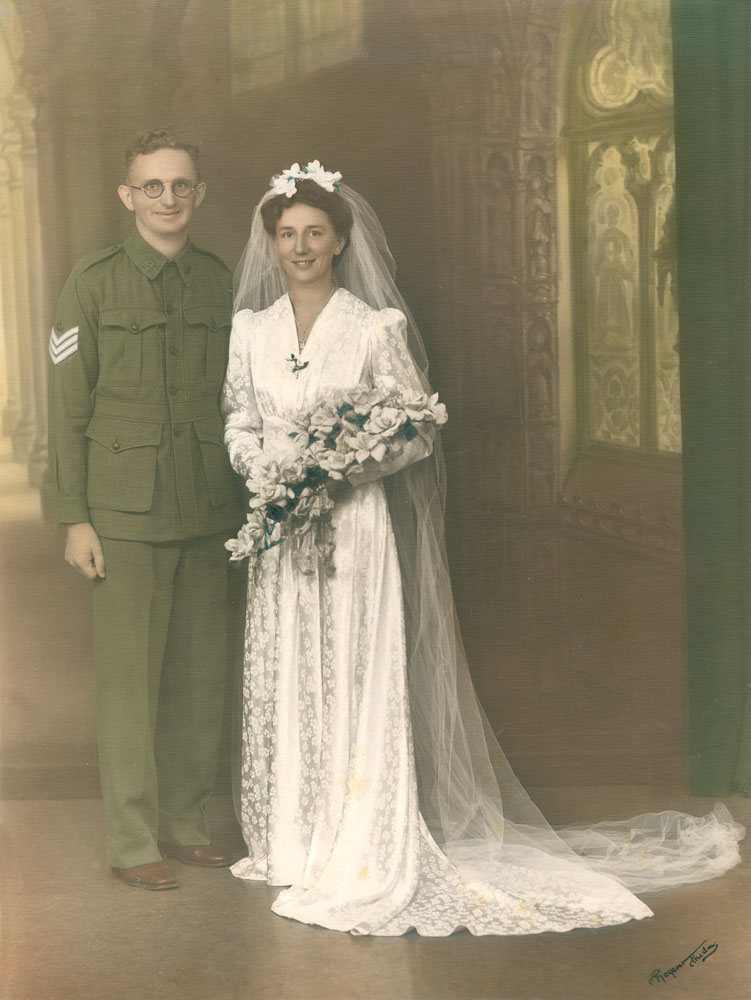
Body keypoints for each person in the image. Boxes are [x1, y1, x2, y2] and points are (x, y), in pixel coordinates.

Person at [221, 161, 743, 935]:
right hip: (281, 530)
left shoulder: (372, 328)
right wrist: (270, 471)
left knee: (352, 676)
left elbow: (415, 427)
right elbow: (237, 418)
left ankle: (359, 846)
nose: (300, 247)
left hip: (355, 534)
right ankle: (295, 843)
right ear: (270, 244)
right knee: (291, 672)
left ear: (339, 242)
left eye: (315, 234)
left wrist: (345, 467)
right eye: (287, 234)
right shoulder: (250, 331)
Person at [48, 127, 244, 890]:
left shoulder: (218, 282)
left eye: (181, 185)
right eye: (152, 186)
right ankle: (134, 841)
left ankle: (186, 825)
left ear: (199, 193)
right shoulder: (90, 285)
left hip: (206, 505)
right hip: (122, 516)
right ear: (128, 196)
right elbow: (66, 409)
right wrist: (74, 517)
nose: (167, 199)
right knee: (130, 683)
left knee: (200, 677)